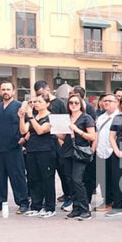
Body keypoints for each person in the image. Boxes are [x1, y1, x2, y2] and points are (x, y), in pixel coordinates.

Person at [0, 82, 29, 214]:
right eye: (3, 89)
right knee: (0, 177)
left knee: (18, 176)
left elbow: (28, 125)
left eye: (8, 89)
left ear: (13, 91)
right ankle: (1, 202)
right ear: (0, 91)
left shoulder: (19, 106)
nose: (5, 91)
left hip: (14, 147)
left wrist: (24, 139)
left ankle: (23, 202)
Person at [34, 80, 72, 210]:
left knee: (63, 172)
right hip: (43, 143)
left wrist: (62, 142)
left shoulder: (59, 103)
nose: (40, 96)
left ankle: (69, 196)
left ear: (48, 90)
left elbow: (64, 121)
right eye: (37, 94)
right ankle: (43, 199)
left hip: (57, 141)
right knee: (45, 174)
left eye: (42, 93)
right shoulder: (37, 107)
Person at [58, 94, 96, 221]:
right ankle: (76, 208)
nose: (73, 105)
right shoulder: (66, 118)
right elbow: (64, 137)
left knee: (77, 180)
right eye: (71, 103)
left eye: (76, 103)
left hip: (80, 152)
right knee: (69, 180)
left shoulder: (86, 118)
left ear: (81, 104)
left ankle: (85, 209)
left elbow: (92, 137)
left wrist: (77, 130)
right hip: (67, 152)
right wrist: (57, 132)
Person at [19, 93, 57, 217]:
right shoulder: (33, 117)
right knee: (33, 178)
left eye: (39, 102)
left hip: (46, 151)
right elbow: (24, 131)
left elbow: (41, 130)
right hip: (32, 150)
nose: (36, 104)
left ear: (47, 104)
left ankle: (50, 207)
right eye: (34, 102)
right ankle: (36, 205)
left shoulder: (50, 117)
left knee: (47, 179)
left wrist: (30, 117)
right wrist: (21, 117)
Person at [94, 94, 121, 213]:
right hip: (101, 150)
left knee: (116, 178)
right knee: (103, 178)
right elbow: (97, 134)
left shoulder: (120, 116)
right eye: (104, 101)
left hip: (114, 150)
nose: (106, 103)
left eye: (109, 101)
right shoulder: (100, 117)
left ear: (116, 102)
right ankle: (107, 201)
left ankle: (118, 202)